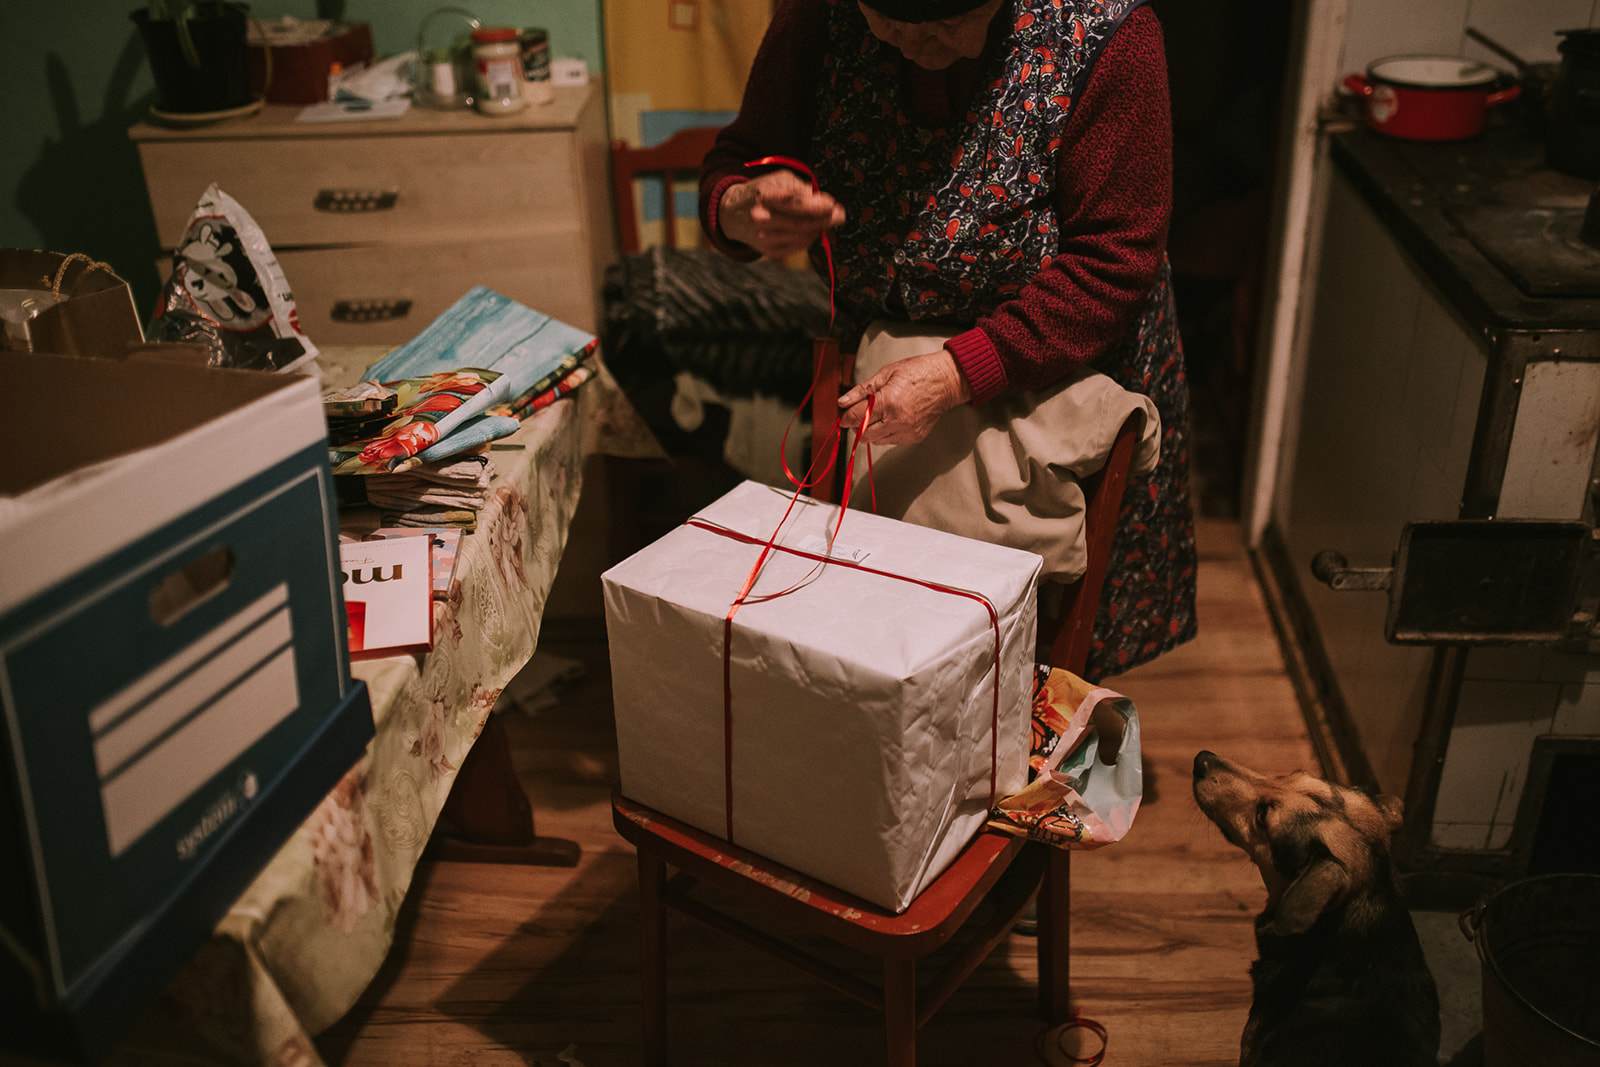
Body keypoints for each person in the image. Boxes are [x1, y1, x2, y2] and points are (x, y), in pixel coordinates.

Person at [698, 0, 1196, 682]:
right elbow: (738, 160)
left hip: (1060, 365)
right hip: (884, 363)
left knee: (1027, 647)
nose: (921, 48)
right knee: (885, 628)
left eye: (947, 24)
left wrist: (957, 373)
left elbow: (1115, 258)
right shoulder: (815, 15)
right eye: (893, 23)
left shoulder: (1108, 33)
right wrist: (737, 207)